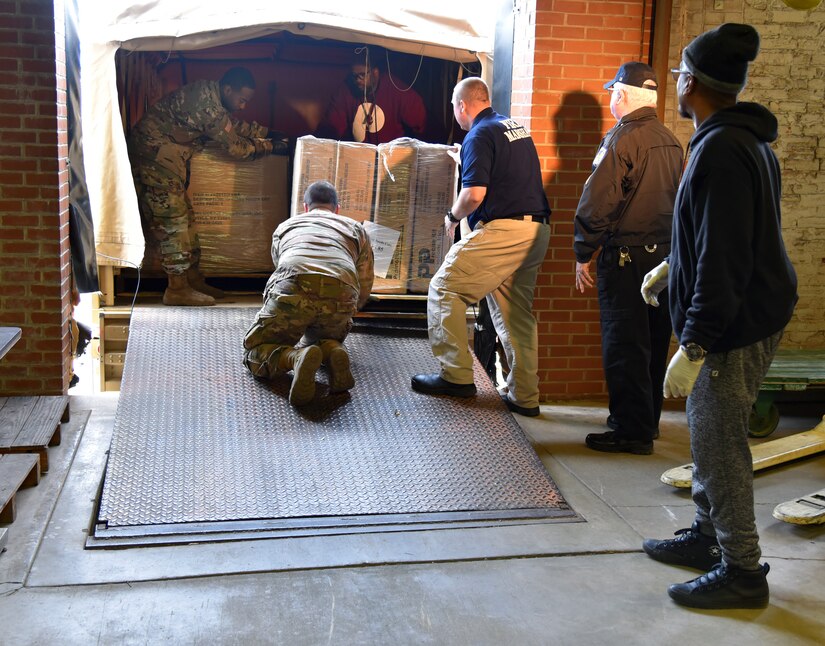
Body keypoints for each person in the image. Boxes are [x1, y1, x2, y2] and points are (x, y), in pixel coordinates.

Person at [640, 23, 798, 609]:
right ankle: (708, 538)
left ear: (691, 83)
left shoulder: (724, 150)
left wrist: (697, 343)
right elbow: (717, 235)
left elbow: (727, 257)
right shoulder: (737, 139)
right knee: (710, 438)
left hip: (737, 322)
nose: (676, 83)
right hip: (749, 307)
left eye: (680, 74)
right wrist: (674, 266)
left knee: (718, 442)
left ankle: (742, 570)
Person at [411, 77, 551, 417]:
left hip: (505, 231)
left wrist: (451, 217)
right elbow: (504, 172)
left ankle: (455, 376)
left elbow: (474, 194)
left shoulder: (478, 134)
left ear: (462, 106)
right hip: (537, 230)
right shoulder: (511, 126)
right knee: (515, 315)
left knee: (444, 289)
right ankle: (524, 396)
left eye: (453, 108)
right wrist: (467, 157)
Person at [573, 62, 683, 455]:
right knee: (652, 342)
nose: (610, 100)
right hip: (666, 260)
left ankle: (629, 430)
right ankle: (645, 422)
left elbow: (599, 201)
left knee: (625, 344)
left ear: (621, 95)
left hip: (627, 259)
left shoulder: (622, 140)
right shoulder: (670, 139)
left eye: (611, 93)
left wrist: (583, 250)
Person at [129, 66, 280, 306]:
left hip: (166, 159)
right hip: (153, 158)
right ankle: (177, 289)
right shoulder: (206, 106)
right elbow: (236, 147)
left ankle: (192, 279)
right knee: (172, 221)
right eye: (242, 100)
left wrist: (269, 133)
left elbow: (233, 125)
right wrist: (272, 147)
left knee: (186, 219)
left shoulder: (214, 98)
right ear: (228, 89)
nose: (243, 106)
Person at [243, 181, 374, 407]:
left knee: (254, 351)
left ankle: (295, 358)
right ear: (337, 208)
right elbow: (365, 279)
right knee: (320, 338)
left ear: (305, 207)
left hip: (294, 284)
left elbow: (279, 268)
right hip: (342, 290)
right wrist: (351, 309)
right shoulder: (355, 228)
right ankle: (331, 348)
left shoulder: (286, 226)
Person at [317, 49, 427, 144]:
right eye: (354, 76)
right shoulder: (347, 89)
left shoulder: (396, 90)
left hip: (391, 160)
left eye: (362, 75)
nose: (357, 80)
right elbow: (331, 126)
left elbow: (422, 123)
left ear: (375, 72)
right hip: (358, 158)